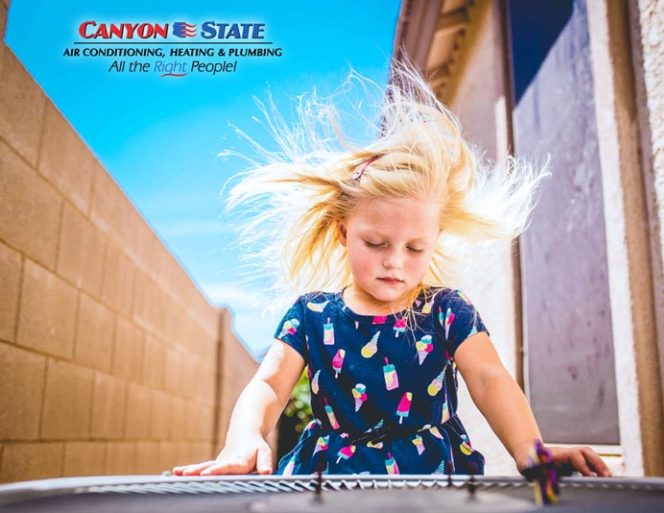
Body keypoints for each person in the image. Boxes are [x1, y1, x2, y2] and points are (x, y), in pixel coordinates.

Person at [172, 62, 612, 478]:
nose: (395, 260)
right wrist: (243, 437)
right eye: (376, 243)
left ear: (435, 238)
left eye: (415, 247)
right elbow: (268, 386)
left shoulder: (447, 311)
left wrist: (531, 450)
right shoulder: (311, 315)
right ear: (343, 231)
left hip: (432, 481)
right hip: (331, 481)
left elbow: (489, 378)